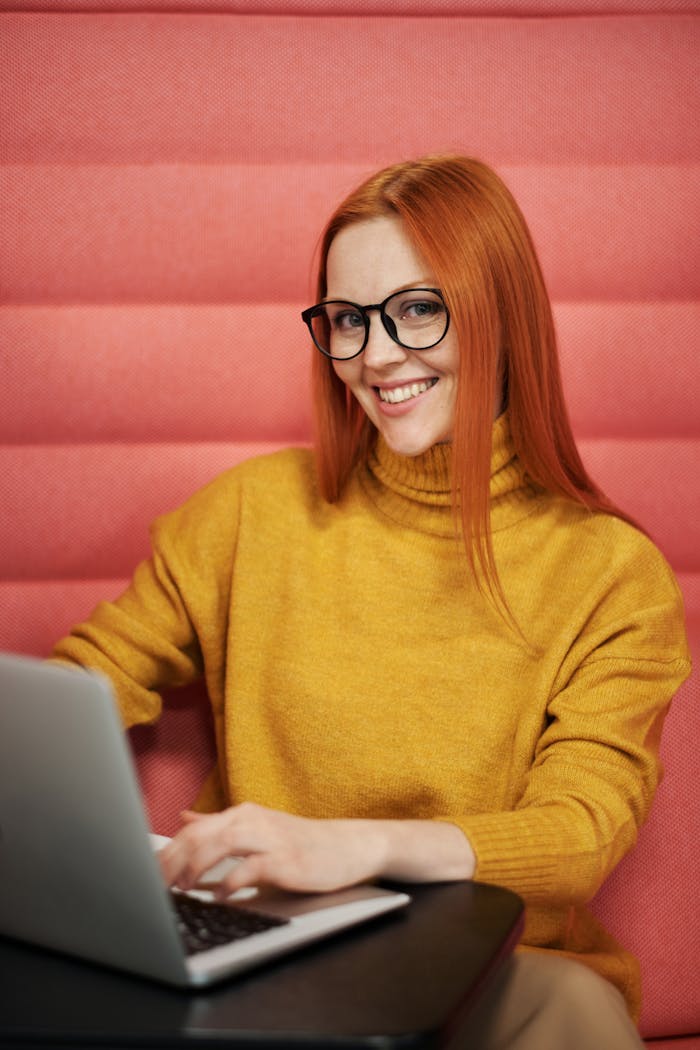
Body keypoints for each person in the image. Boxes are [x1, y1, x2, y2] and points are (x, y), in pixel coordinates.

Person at [51, 155, 690, 1048]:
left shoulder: (610, 574)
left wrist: (360, 847)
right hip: (271, 958)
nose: (376, 355)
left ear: (500, 312)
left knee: (572, 1013)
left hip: (492, 976)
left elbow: (580, 832)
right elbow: (84, 683)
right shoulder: (248, 514)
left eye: (419, 309)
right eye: (347, 319)